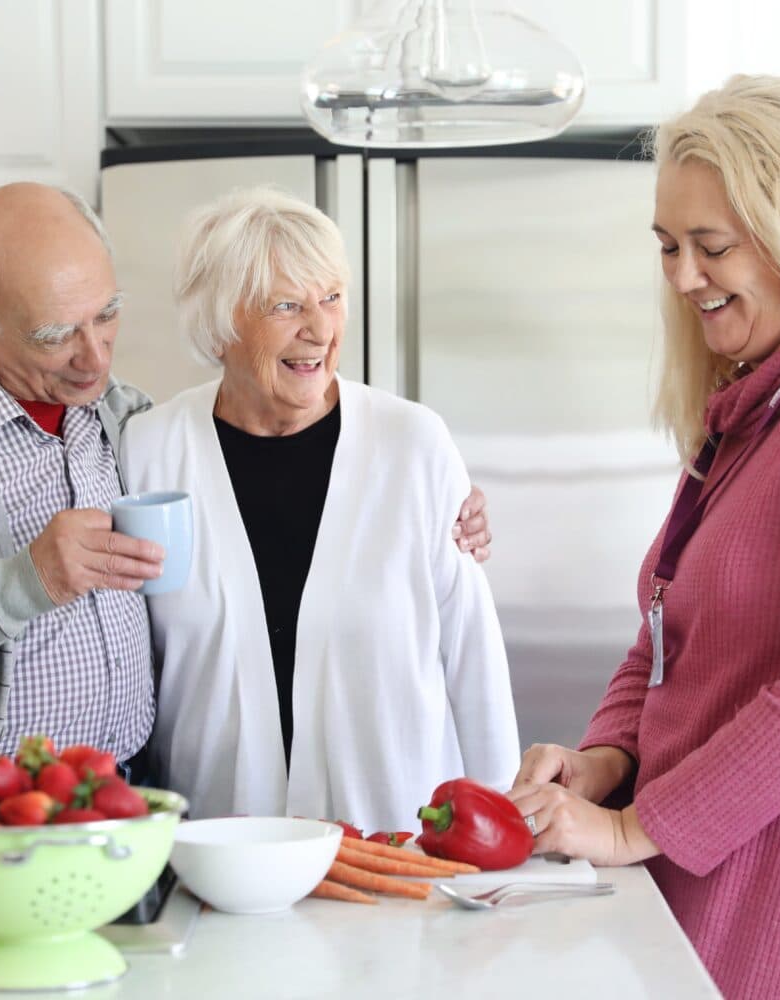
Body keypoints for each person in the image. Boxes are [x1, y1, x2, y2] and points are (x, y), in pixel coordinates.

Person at [0, 182, 491, 812]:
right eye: (57, 335)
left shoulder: (117, 419)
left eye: (106, 314)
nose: (94, 360)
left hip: (125, 808)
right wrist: (31, 579)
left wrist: (444, 505)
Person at [507, 75, 780, 999]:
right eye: (668, 246)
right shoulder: (750, 406)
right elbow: (663, 633)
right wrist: (605, 761)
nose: (683, 277)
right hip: (692, 887)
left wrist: (632, 827)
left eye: (711, 247)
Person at [120, 187, 519, 832]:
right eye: (286, 305)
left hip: (398, 844)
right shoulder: (150, 450)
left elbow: (472, 648)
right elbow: (126, 648)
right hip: (220, 853)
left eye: (331, 298)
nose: (320, 329)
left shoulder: (412, 443)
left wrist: (502, 819)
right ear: (220, 326)